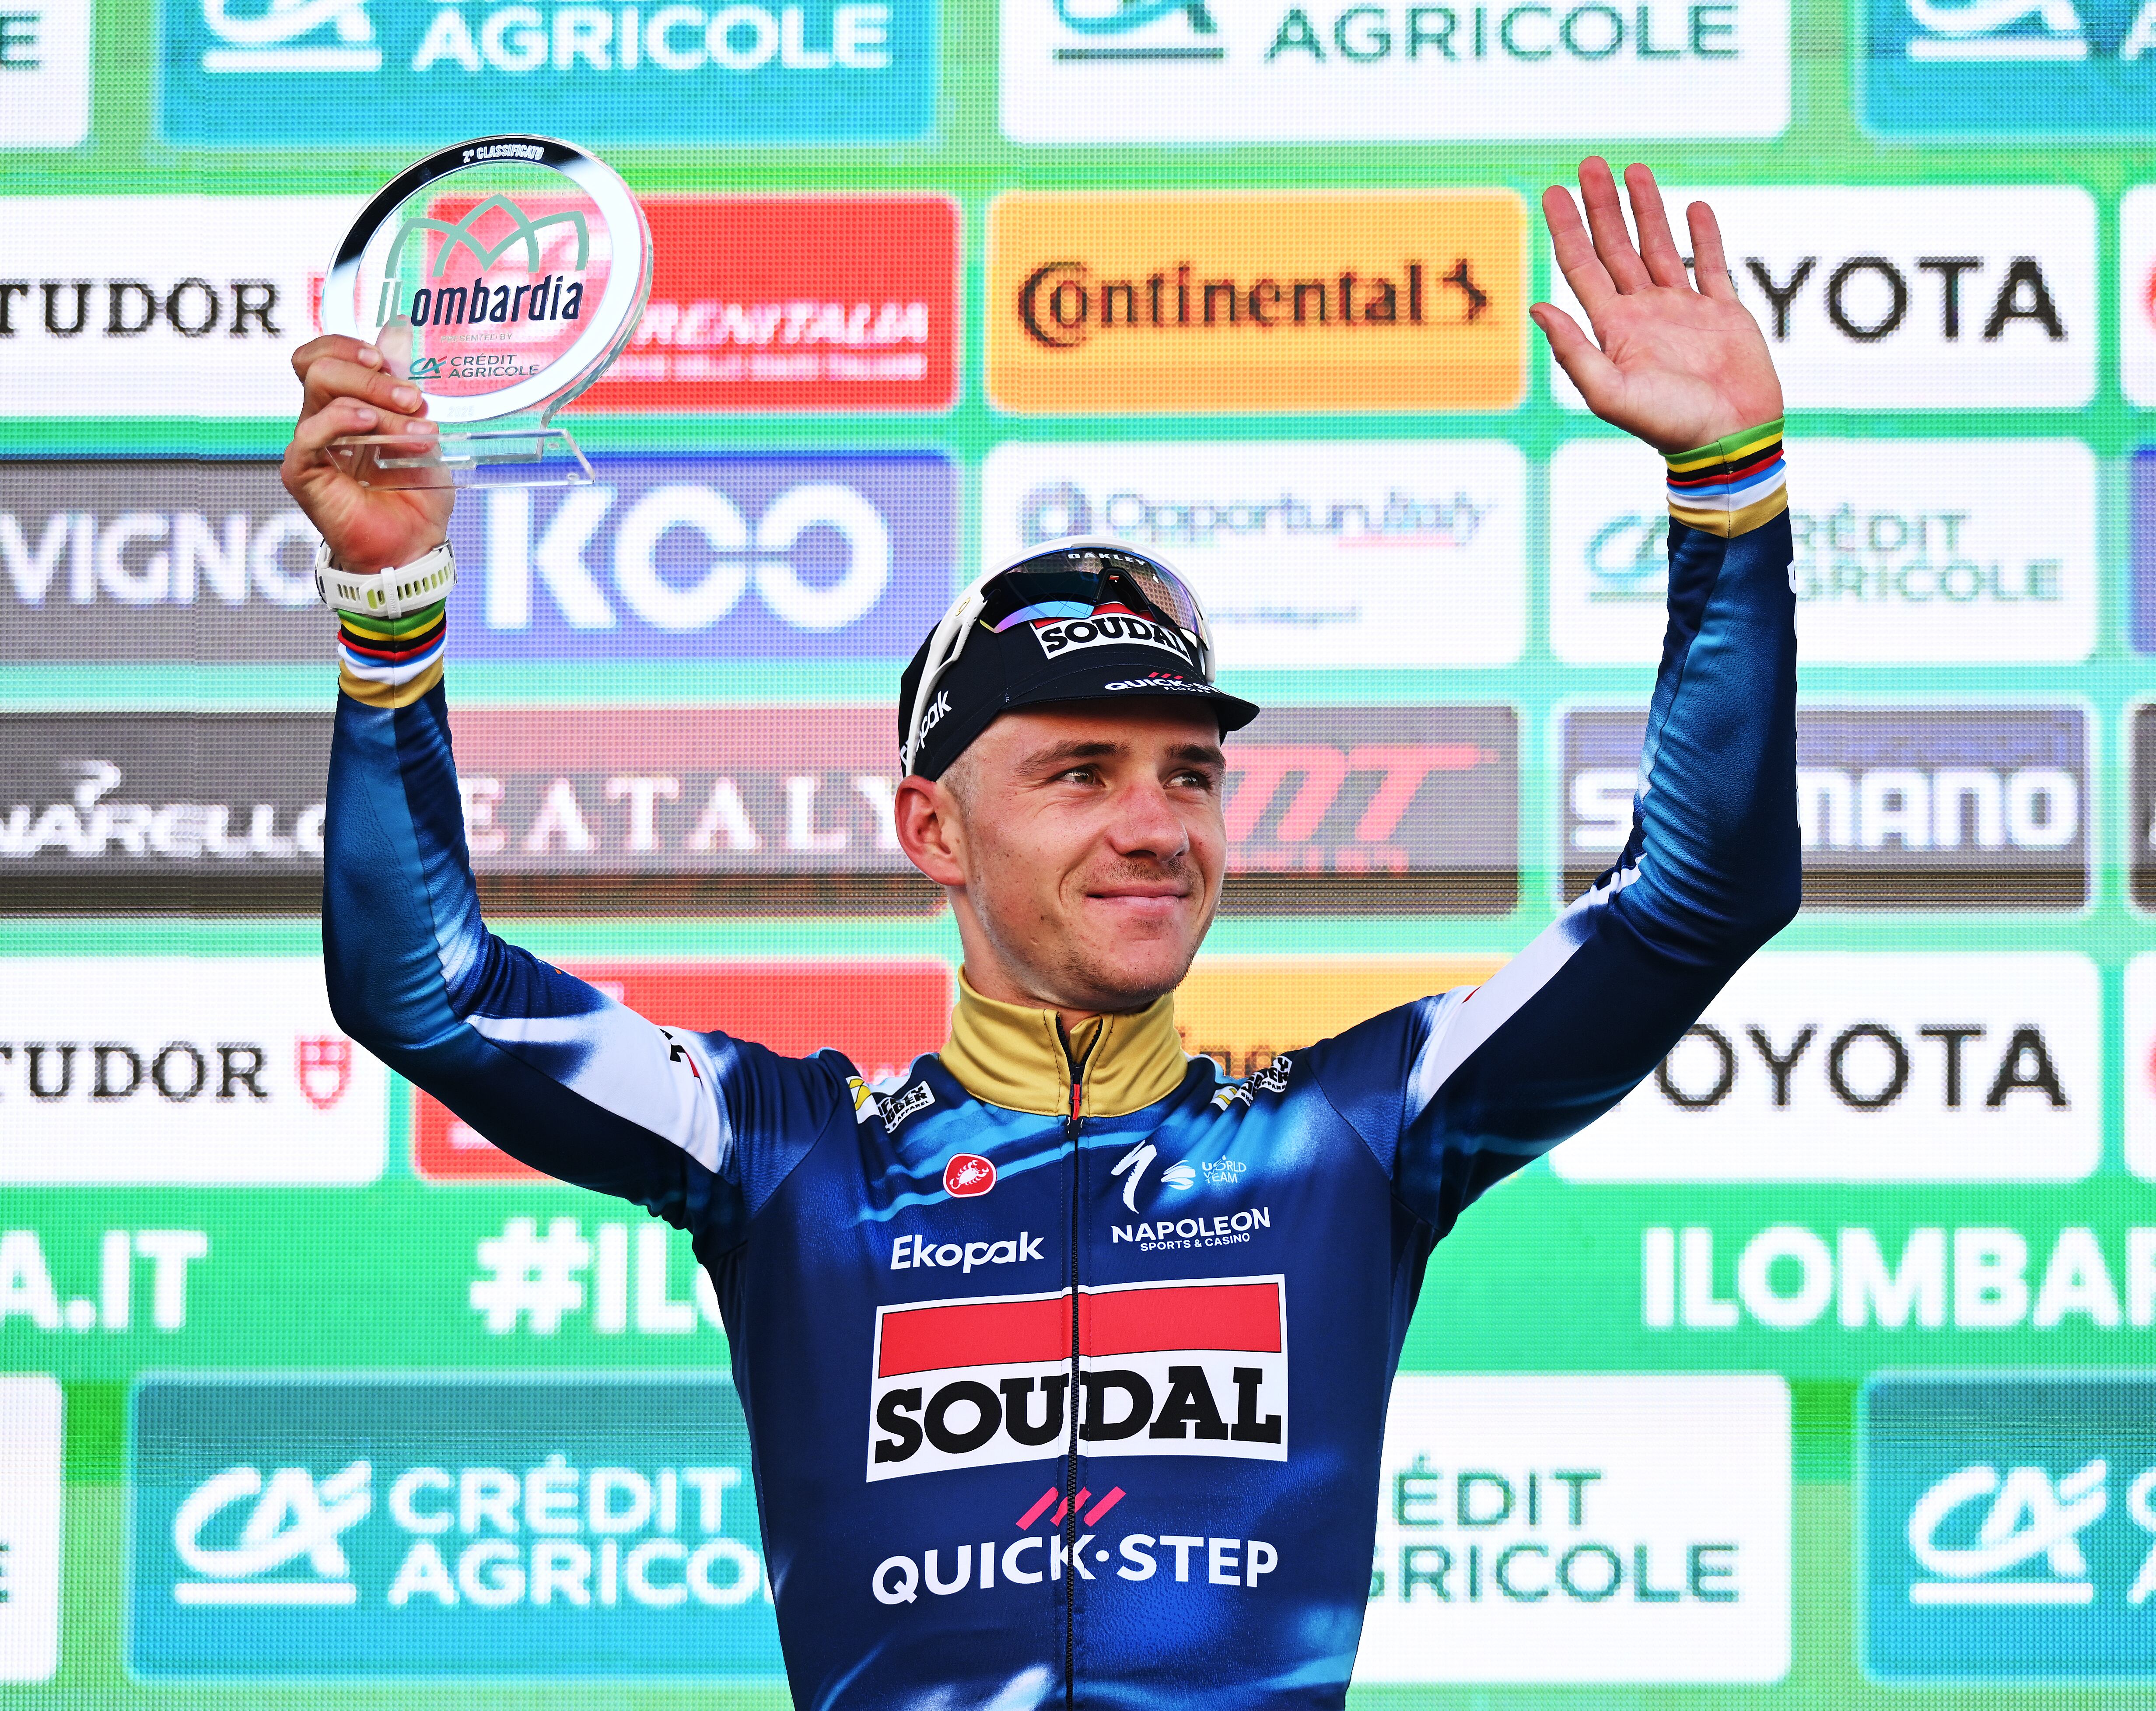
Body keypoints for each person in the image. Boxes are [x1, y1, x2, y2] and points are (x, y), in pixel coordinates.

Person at [284, 159, 1796, 1708]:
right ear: (932, 830)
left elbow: (1695, 903)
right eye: (1081, 773)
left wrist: (1728, 498)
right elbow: (428, 988)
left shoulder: (1351, 1137)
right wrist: (390, 592)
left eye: (1189, 773)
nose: (1156, 825)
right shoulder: (789, 1157)